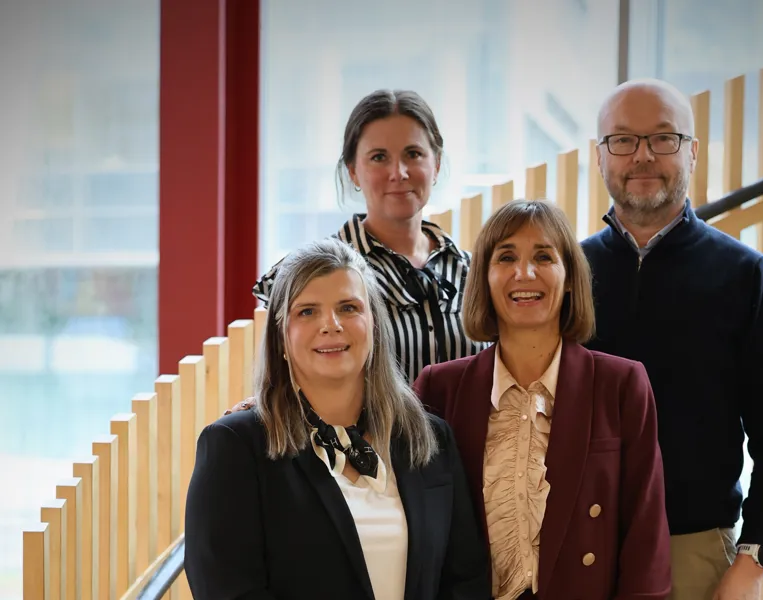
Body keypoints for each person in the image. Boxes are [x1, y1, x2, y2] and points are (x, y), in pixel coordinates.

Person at [581, 78, 763, 600]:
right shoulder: (567, 273)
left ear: (693, 152)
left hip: (695, 555)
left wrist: (752, 561)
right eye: (622, 140)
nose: (642, 156)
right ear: (599, 157)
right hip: (577, 549)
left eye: (663, 138)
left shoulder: (743, 275)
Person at [184, 238, 491, 600]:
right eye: (307, 311)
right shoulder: (235, 446)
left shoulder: (430, 438)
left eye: (348, 307)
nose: (330, 325)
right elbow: (228, 592)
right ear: (281, 336)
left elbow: (466, 583)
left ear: (374, 324)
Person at [413, 200, 671, 600]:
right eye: (506, 257)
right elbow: (421, 538)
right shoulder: (438, 389)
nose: (524, 273)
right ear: (484, 276)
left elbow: (645, 536)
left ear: (569, 277)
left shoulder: (620, 384)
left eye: (543, 256)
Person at [252, 89, 486, 384]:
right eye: (379, 157)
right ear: (353, 171)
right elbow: (279, 378)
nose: (398, 172)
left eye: (413, 154)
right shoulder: (310, 273)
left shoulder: (476, 272)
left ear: (436, 164)